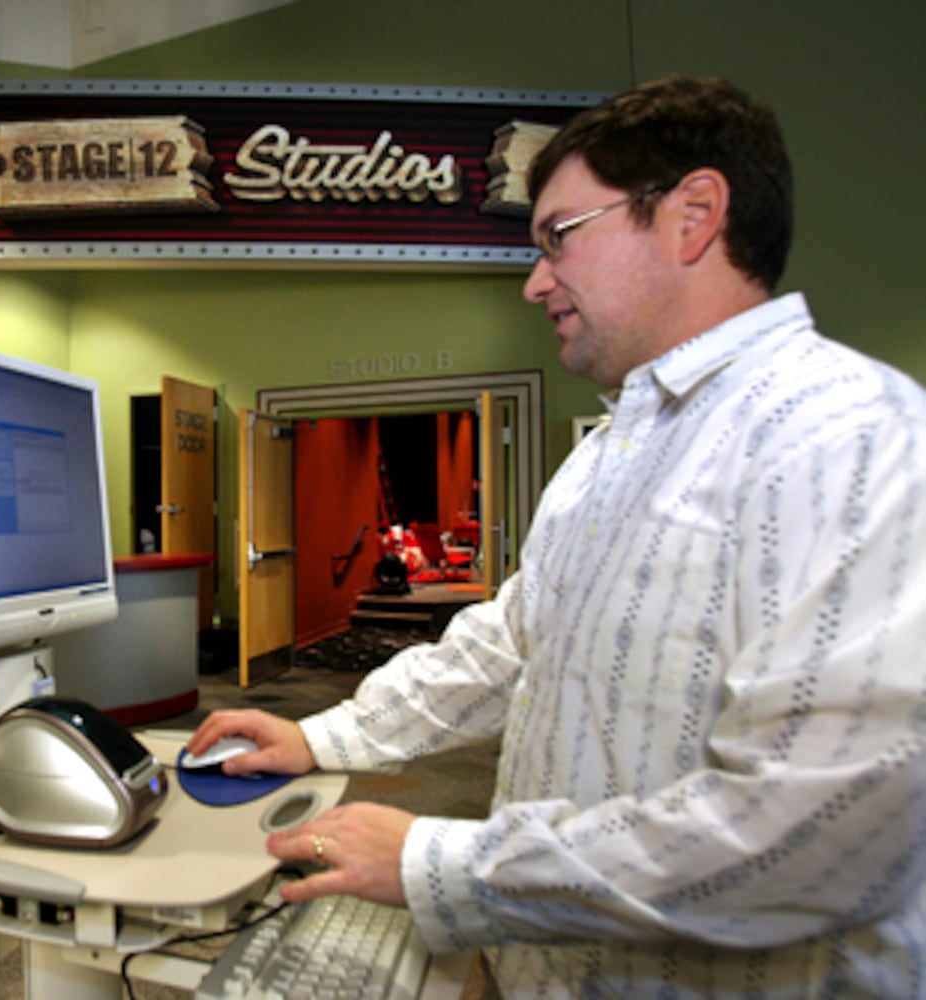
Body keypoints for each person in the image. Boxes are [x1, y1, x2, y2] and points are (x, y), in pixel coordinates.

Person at [189, 75, 926, 996]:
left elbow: (821, 838)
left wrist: (439, 865)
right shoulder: (612, 449)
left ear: (692, 214)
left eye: (558, 237)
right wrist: (324, 739)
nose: (535, 280)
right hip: (534, 960)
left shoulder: (848, 435)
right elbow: (509, 645)